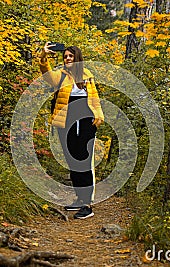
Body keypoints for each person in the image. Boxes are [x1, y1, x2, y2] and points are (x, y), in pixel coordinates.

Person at [39, 42, 104, 219]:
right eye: (65, 56)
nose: (67, 59)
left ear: (77, 58)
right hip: (65, 120)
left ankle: (87, 204)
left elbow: (94, 99)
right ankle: (79, 197)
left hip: (85, 120)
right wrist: (44, 56)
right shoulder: (60, 76)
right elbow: (46, 73)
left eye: (70, 56)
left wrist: (98, 116)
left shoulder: (87, 76)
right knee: (71, 159)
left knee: (83, 158)